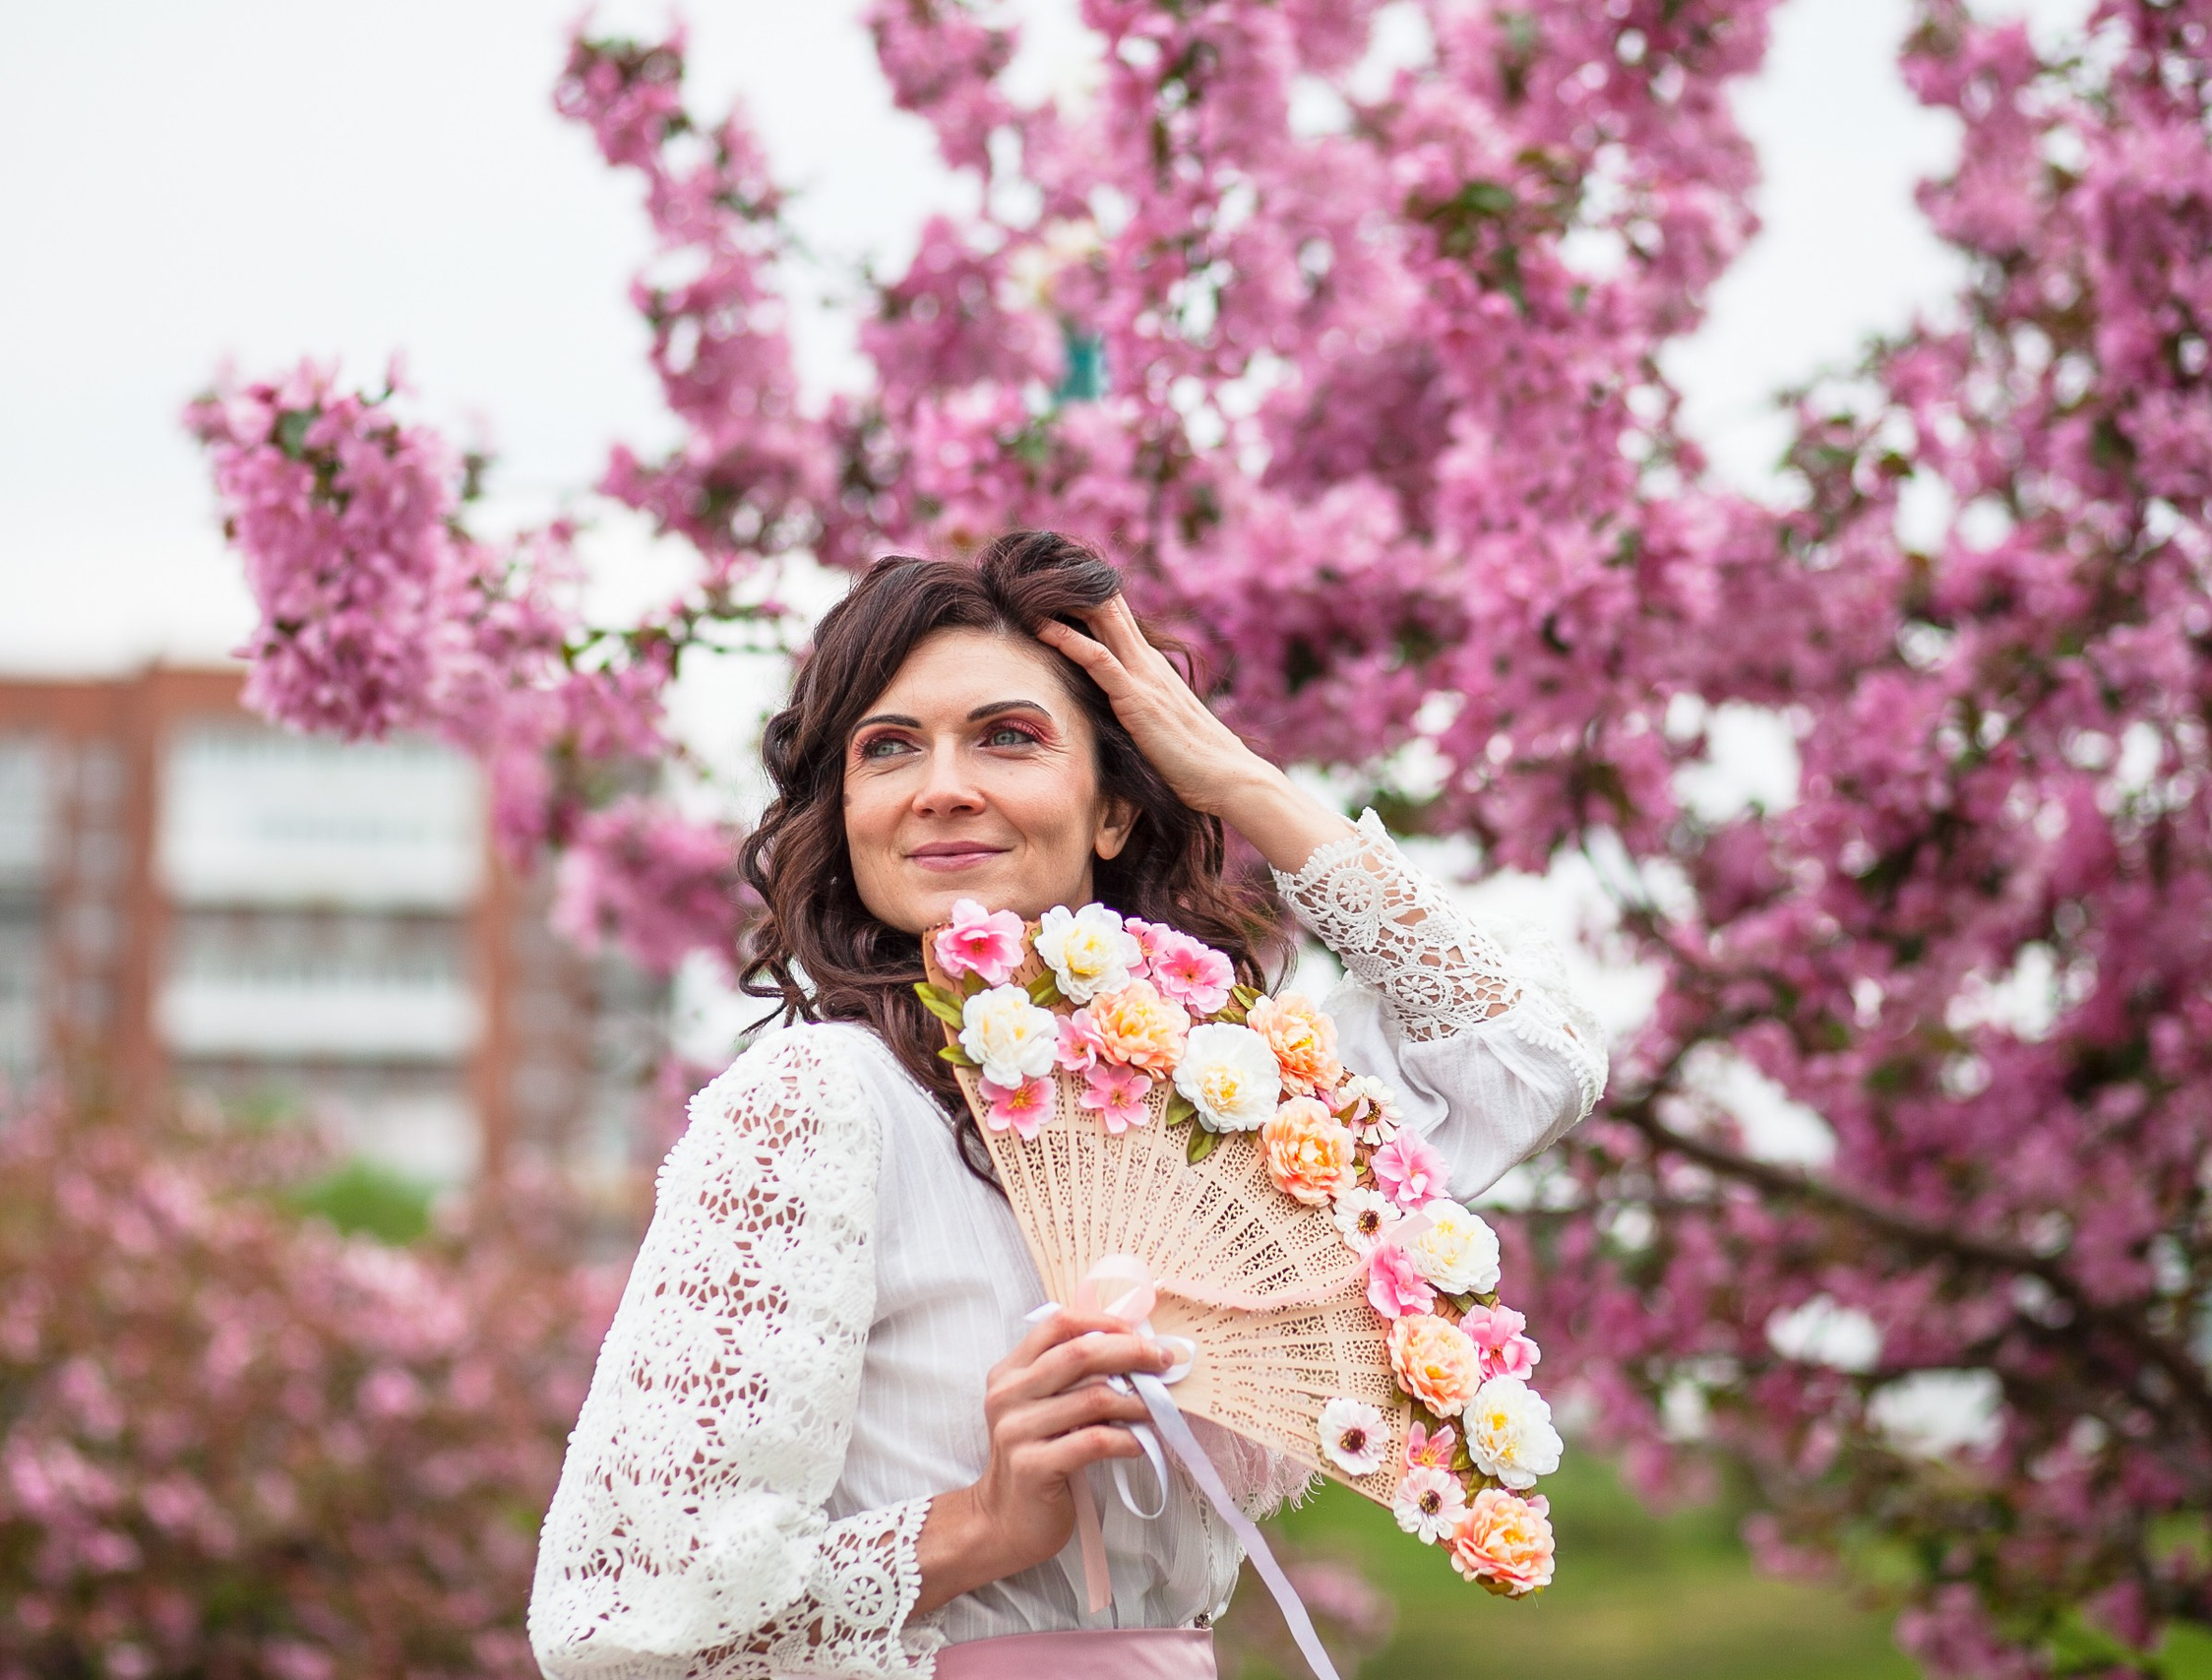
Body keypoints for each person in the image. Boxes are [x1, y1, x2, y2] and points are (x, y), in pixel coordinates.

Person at [527, 531, 1607, 1680]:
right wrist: (980, 1523)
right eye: (887, 749)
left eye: (1008, 736)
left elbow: (1526, 1060)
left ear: (1112, 810)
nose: (944, 788)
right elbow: (628, 1620)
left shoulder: (1218, 1096)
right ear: (846, 814)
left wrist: (1241, 781)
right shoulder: (820, 1101)